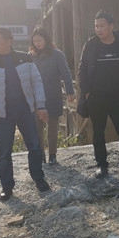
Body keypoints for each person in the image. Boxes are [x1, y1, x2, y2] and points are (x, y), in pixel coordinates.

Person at [0, 27, 50, 201]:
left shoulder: (24, 58)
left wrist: (40, 105)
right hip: (2, 114)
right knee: (4, 151)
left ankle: (39, 179)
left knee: (34, 146)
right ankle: (7, 187)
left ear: (9, 41)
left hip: (25, 110)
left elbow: (36, 81)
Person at [77, 10, 119, 179]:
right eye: (96, 26)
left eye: (102, 26)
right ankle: (102, 165)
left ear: (111, 26)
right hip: (97, 97)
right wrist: (87, 93)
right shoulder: (91, 45)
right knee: (98, 133)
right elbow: (82, 70)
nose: (98, 29)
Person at [29, 26, 76, 165]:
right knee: (37, 126)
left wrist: (70, 92)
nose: (37, 43)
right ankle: (40, 154)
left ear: (46, 39)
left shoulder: (57, 55)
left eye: (39, 40)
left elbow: (66, 74)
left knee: (52, 126)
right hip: (35, 98)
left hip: (52, 95)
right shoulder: (30, 56)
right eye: (35, 41)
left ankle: (52, 154)